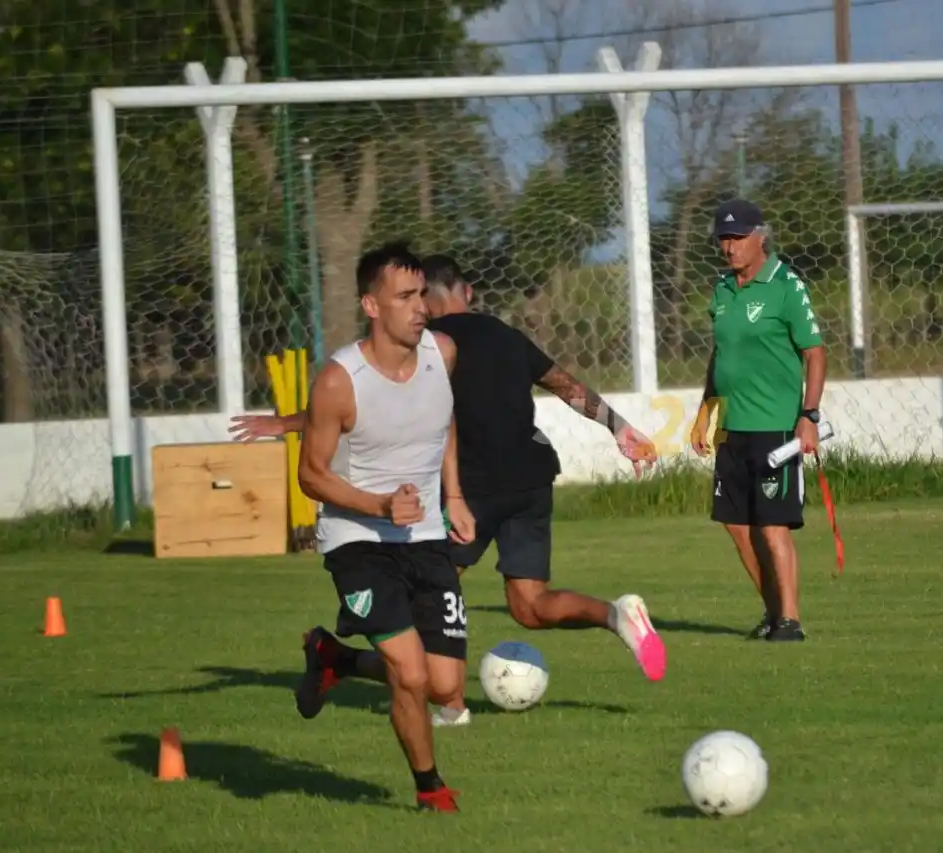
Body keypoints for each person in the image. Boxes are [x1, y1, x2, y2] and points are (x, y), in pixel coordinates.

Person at [230, 254, 667, 727]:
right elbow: (568, 387)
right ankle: (614, 614)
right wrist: (619, 429)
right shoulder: (506, 335)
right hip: (531, 479)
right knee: (530, 604)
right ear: (468, 292)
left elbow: (367, 403)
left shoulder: (433, 348)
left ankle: (446, 705)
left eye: (419, 297)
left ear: (429, 299)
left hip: (472, 492)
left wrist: (289, 422)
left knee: (424, 619)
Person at [294, 241, 470, 812]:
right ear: (372, 305)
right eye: (405, 297)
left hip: (424, 537)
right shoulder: (338, 382)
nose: (420, 307)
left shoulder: (441, 354)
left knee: (444, 686)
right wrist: (376, 506)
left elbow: (441, 423)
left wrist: (455, 495)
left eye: (422, 294)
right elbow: (311, 476)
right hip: (358, 541)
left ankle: (335, 658)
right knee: (411, 674)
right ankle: (431, 789)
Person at [688, 199, 827, 643]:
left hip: (775, 428)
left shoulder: (786, 285)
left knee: (773, 524)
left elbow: (815, 353)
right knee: (737, 525)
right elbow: (721, 355)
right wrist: (706, 408)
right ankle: (771, 613)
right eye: (723, 239)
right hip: (733, 426)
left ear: (759, 237)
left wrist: (809, 416)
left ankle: (790, 620)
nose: (729, 248)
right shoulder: (721, 290)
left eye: (737, 238)